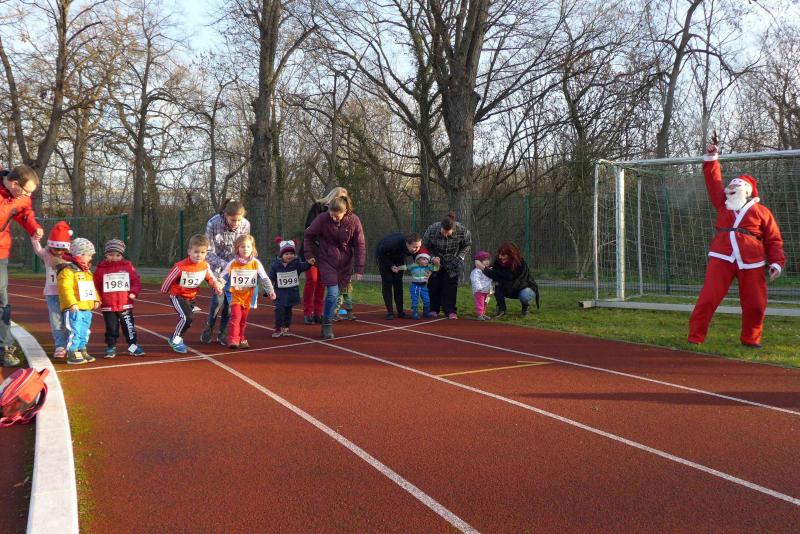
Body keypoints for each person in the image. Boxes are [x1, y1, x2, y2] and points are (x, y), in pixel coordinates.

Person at [688, 134, 785, 348]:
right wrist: (712, 158)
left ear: (747, 191)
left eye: (736, 186)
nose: (730, 189)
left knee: (756, 303)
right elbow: (713, 182)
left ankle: (751, 339)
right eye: (729, 186)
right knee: (708, 298)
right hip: (721, 256)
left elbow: (773, 239)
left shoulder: (762, 212)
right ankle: (695, 337)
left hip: (752, 260)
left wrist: (777, 262)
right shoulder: (723, 205)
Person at [303, 196, 365, 339]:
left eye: (337, 216)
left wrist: (359, 268)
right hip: (326, 260)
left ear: (345, 211)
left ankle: (327, 317)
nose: (334, 218)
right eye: (331, 215)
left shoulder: (354, 221)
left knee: (337, 293)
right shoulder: (322, 219)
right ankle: (327, 324)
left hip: (345, 263)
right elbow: (308, 235)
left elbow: (360, 245)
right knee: (332, 291)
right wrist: (309, 254)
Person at [1, 164, 44, 367]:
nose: (28, 195)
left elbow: (25, 213)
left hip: (0, 251)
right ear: (14, 184)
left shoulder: (22, 198)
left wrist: (34, 228)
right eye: (26, 191)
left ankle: (4, 349)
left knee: (1, 299)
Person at [161, 234, 224, 354]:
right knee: (187, 317)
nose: (199, 255)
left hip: (191, 297)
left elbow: (210, 277)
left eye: (202, 252)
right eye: (196, 252)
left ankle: (175, 338)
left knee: (189, 320)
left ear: (206, 253)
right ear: (189, 251)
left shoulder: (205, 266)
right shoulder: (181, 266)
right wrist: (164, 289)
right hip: (178, 296)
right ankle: (176, 340)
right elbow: (169, 278)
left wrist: (216, 286)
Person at [202, 199, 250, 345]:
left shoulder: (245, 224)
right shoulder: (213, 223)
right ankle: (209, 327)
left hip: (235, 268)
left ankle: (222, 333)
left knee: (231, 303)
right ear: (225, 215)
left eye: (238, 220)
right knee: (218, 299)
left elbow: (244, 246)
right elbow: (208, 252)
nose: (236, 223)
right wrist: (226, 265)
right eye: (232, 220)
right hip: (217, 266)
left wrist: (243, 263)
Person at [300, 187, 350, 324]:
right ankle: (307, 312)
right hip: (312, 250)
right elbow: (309, 228)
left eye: (344, 199)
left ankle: (318, 312)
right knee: (312, 280)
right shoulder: (318, 207)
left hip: (327, 254)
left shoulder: (344, 214)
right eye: (339, 197)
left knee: (322, 282)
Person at [221, 234, 275, 349]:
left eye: (248, 247)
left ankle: (242, 338)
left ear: (252, 248)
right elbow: (223, 276)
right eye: (242, 247)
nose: (245, 249)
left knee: (243, 319)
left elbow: (264, 277)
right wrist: (218, 286)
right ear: (237, 249)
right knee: (236, 317)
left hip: (248, 297)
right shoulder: (232, 263)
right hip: (235, 296)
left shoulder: (256, 263)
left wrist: (270, 290)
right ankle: (233, 339)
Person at [93, 238, 145, 358]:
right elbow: (95, 285)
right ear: (106, 254)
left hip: (125, 304)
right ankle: (111, 347)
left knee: (129, 328)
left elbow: (135, 281)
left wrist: (134, 292)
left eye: (117, 255)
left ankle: (133, 347)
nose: (114, 257)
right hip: (108, 305)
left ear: (122, 255)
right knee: (111, 328)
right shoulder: (101, 269)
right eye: (111, 255)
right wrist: (97, 298)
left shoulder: (127, 266)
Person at [31, 221, 72, 359]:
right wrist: (35, 238)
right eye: (55, 249)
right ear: (51, 246)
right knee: (56, 321)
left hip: (68, 294)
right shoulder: (47, 254)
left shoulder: (71, 257)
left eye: (61, 250)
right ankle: (60, 345)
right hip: (52, 294)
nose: (58, 252)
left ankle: (71, 344)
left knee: (69, 320)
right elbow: (38, 250)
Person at [56, 237, 100, 365]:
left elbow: (91, 287)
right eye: (89, 255)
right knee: (74, 330)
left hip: (86, 307)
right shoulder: (68, 270)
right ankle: (72, 351)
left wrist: (96, 299)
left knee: (84, 331)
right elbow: (65, 288)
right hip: (74, 308)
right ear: (80, 254)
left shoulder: (86, 271)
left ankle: (82, 348)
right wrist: (72, 303)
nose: (90, 258)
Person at [422, 212, 472, 319]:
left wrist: (460, 257)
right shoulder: (432, 229)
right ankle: (433, 309)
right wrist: (432, 257)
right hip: (435, 259)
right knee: (434, 284)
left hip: (453, 260)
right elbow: (424, 246)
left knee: (450, 286)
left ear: (453, 229)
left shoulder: (462, 231)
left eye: (448, 233)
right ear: (440, 227)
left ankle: (450, 310)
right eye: (443, 232)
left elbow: (467, 245)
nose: (445, 235)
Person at [475, 242, 539, 317]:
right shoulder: (498, 262)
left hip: (523, 287)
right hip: (509, 287)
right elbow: (494, 274)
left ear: (511, 254)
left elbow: (509, 276)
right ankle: (502, 309)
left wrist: (483, 268)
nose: (500, 257)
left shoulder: (520, 263)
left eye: (503, 255)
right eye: (499, 254)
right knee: (496, 285)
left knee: (524, 295)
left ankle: (525, 306)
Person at [268, 237, 313, 338]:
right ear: (281, 255)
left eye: (291, 253)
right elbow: (271, 277)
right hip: (279, 293)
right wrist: (269, 289)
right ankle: (278, 328)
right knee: (279, 310)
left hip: (291, 293)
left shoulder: (296, 264)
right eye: (286, 254)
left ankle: (286, 327)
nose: (289, 256)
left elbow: (304, 266)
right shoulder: (275, 265)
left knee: (288, 312)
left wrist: (309, 263)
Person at [375, 232, 422, 319]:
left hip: (398, 258)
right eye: (415, 247)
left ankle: (400, 312)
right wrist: (391, 265)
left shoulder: (415, 248)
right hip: (384, 256)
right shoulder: (391, 244)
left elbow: (419, 257)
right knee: (388, 281)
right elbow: (380, 255)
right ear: (407, 244)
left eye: (419, 246)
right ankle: (390, 312)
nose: (417, 249)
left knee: (398, 283)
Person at [394, 248, 438, 319]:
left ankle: (426, 313)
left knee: (427, 300)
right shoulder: (413, 266)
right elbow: (406, 267)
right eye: (424, 259)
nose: (426, 261)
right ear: (418, 260)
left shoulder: (429, 266)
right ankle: (414, 313)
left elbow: (436, 268)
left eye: (427, 259)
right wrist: (398, 268)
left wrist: (437, 263)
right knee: (415, 300)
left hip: (424, 286)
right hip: (415, 286)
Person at [470, 250, 494, 320]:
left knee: (485, 303)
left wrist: (492, 288)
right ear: (479, 261)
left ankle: (483, 313)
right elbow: (475, 279)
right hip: (479, 291)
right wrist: (478, 288)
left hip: (487, 291)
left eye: (488, 260)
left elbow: (491, 279)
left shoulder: (489, 270)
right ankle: (479, 314)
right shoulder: (477, 271)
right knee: (480, 303)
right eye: (484, 260)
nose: (487, 262)